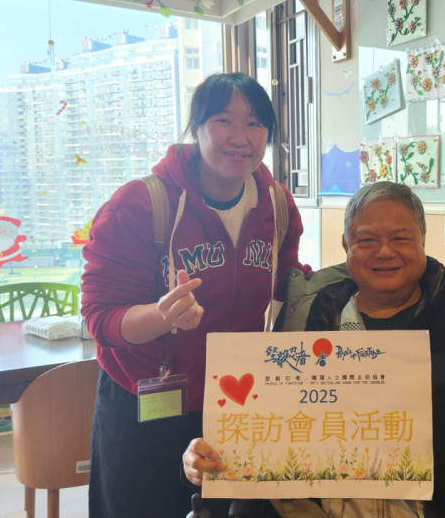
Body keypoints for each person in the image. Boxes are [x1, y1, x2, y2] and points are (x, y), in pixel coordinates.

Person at [183, 181, 445, 517]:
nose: (384, 251)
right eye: (366, 240)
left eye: (401, 238)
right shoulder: (305, 324)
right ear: (346, 246)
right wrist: (208, 457)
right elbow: (257, 425)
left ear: (423, 241)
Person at [81, 72, 306, 518]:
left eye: (255, 123)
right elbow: (100, 319)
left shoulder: (276, 204)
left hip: (234, 402)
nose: (241, 137)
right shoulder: (139, 204)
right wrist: (161, 316)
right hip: (145, 405)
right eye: (224, 120)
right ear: (196, 127)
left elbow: (289, 284)